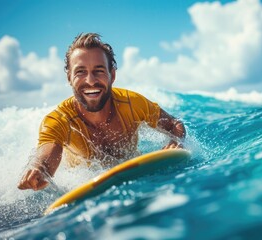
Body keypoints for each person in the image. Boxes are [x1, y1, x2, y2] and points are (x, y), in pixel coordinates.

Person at [18, 33, 186, 191]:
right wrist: (38, 169)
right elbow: (46, 154)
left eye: (98, 71)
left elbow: (173, 123)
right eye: (80, 72)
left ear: (112, 75)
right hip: (84, 186)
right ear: (69, 77)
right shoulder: (59, 120)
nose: (90, 81)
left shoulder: (132, 104)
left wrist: (175, 141)